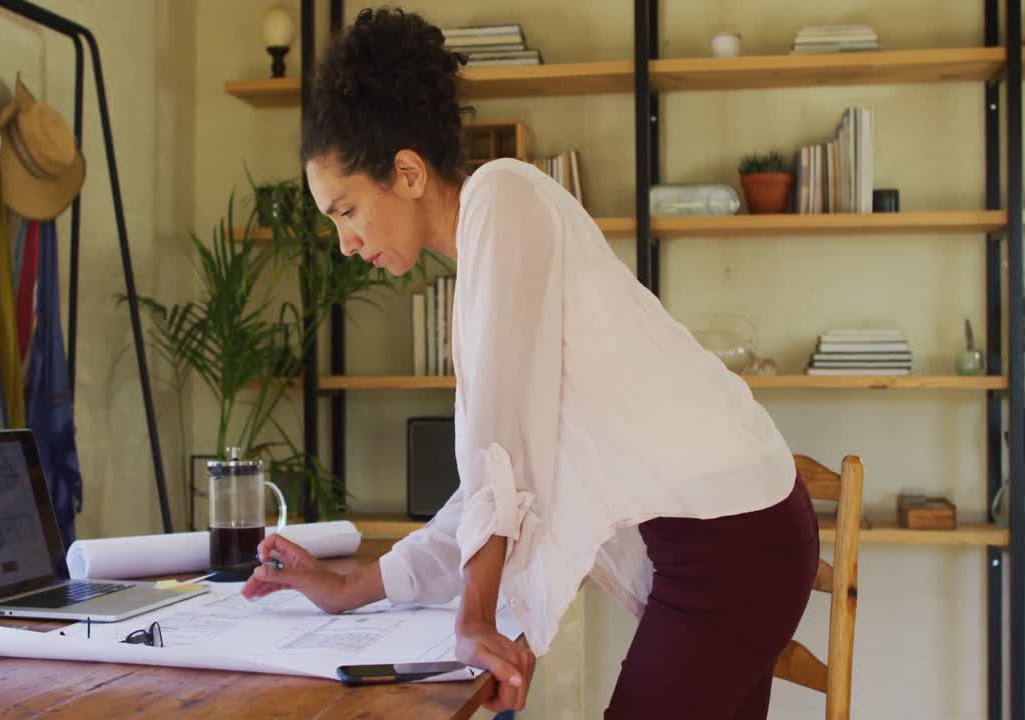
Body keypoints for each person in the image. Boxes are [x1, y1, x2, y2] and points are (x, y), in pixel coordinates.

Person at [242, 8, 819, 718]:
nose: (345, 242)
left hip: (733, 545)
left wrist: (477, 616)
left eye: (346, 210)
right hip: (729, 539)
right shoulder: (489, 242)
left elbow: (498, 452)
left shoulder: (502, 200)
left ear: (409, 172)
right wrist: (346, 586)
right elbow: (489, 488)